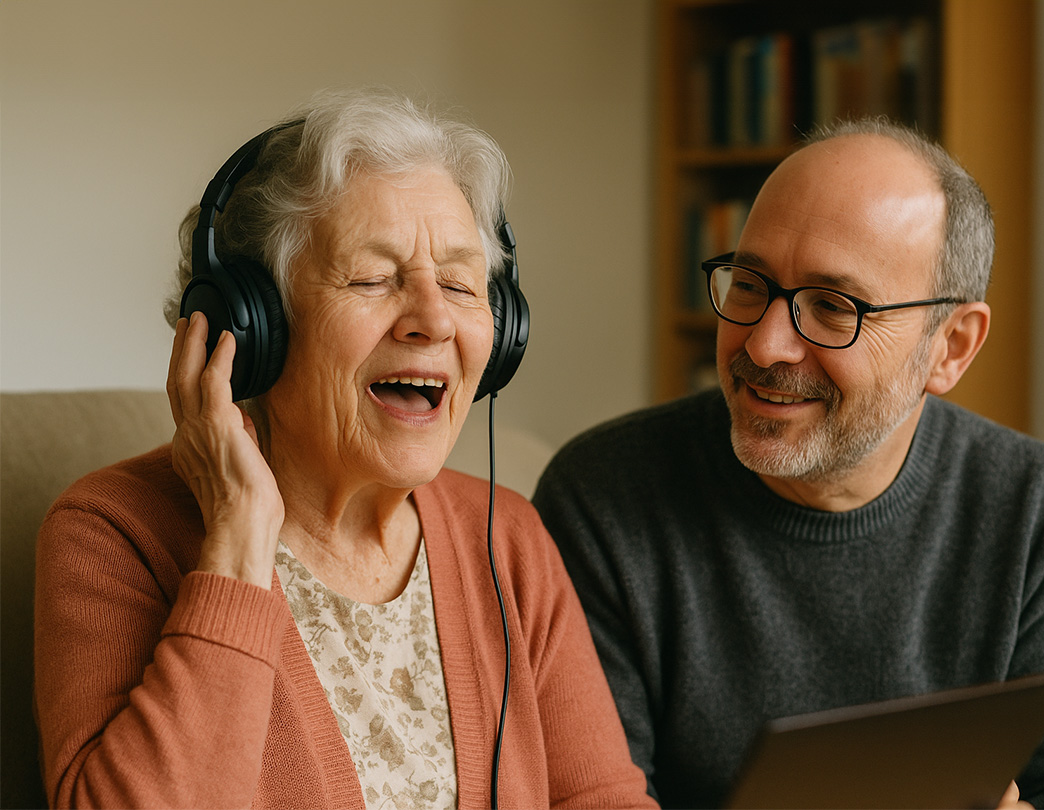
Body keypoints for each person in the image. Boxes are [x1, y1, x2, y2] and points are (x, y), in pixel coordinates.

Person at [34, 87, 655, 809]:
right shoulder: (112, 534)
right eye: (373, 279)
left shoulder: (509, 540)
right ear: (251, 326)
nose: (433, 320)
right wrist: (237, 542)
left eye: (461, 284)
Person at [533, 118, 1044, 809]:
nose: (764, 346)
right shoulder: (603, 499)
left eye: (832, 307)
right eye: (750, 284)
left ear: (951, 347)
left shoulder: (1030, 505)